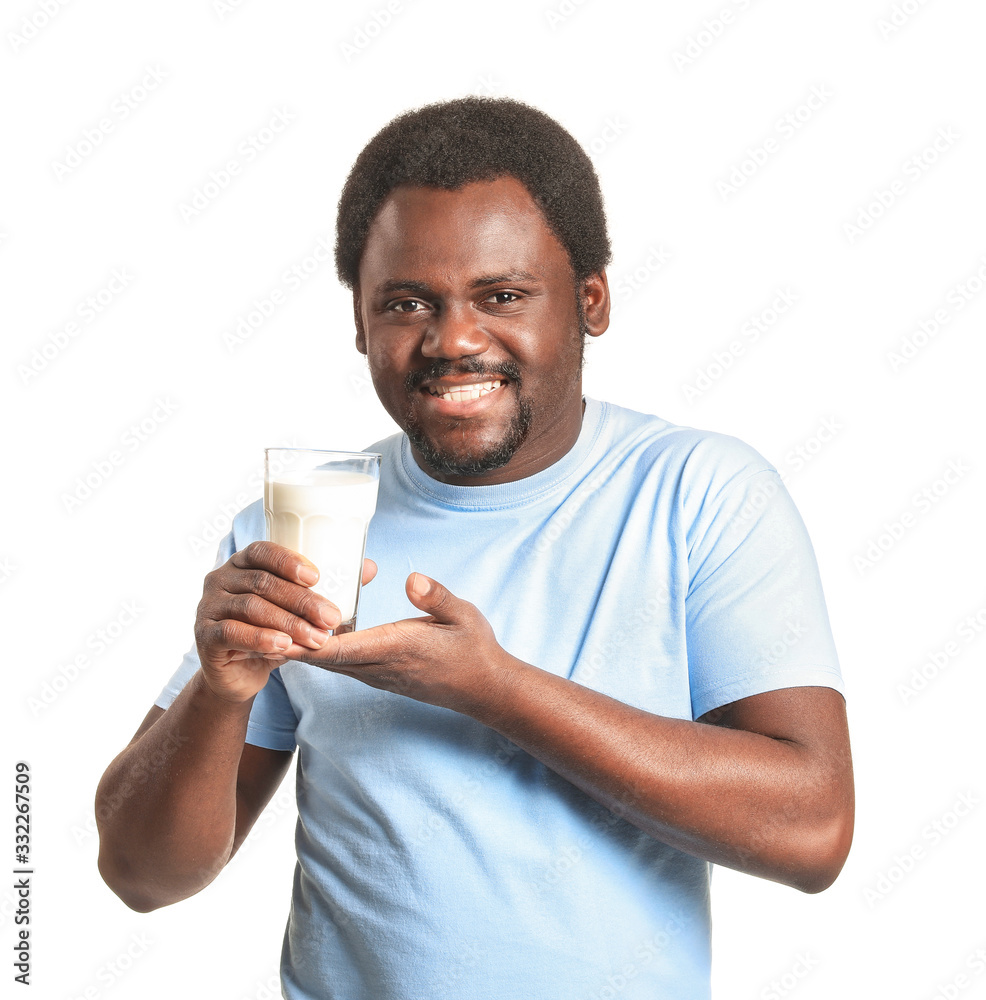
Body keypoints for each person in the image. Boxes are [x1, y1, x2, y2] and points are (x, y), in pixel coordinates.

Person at [96, 97, 853, 1000]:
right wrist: (219, 696)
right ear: (360, 324)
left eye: (502, 296)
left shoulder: (699, 493)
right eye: (407, 302)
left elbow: (813, 832)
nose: (452, 339)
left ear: (592, 300)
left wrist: (495, 692)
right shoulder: (296, 526)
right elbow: (142, 876)